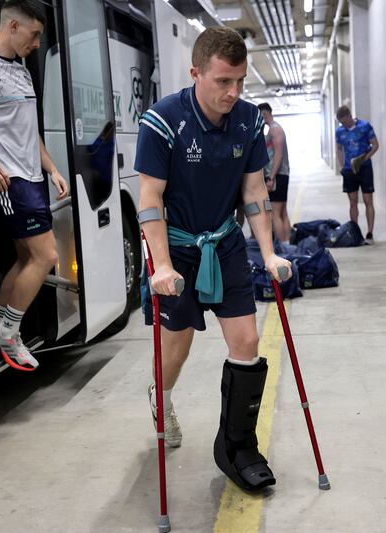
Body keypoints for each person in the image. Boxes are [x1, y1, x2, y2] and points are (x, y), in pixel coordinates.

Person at [135, 26, 290, 492]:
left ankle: (236, 446)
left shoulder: (247, 121)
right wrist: (161, 265)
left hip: (223, 243)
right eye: (223, 81)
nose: (234, 92)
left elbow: (254, 190)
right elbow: (150, 197)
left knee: (246, 341)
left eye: (240, 81)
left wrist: (268, 252)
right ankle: (160, 394)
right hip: (177, 247)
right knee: (176, 347)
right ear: (195, 72)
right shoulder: (162, 121)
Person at [0, 0, 68, 371]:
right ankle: (9, 332)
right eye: (34, 34)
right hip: (6, 181)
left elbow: (28, 130)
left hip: (32, 177)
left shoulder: (21, 70)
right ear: (11, 27)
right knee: (46, 256)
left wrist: (53, 169)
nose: (37, 43)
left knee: (26, 257)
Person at [334, 105, 378, 244]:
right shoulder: (339, 132)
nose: (344, 125)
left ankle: (370, 234)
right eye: (341, 123)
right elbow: (339, 149)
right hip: (349, 170)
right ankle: (355, 233)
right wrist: (342, 166)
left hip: (364, 168)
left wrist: (363, 159)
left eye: (345, 121)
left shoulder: (365, 126)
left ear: (349, 116)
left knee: (367, 200)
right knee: (353, 202)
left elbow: (375, 145)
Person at [257, 103, 291, 242]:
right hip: (280, 175)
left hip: (277, 175)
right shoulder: (273, 129)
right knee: (282, 212)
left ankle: (283, 246)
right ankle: (287, 243)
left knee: (275, 214)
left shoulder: (275, 130)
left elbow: (278, 155)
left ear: (264, 114)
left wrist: (271, 177)